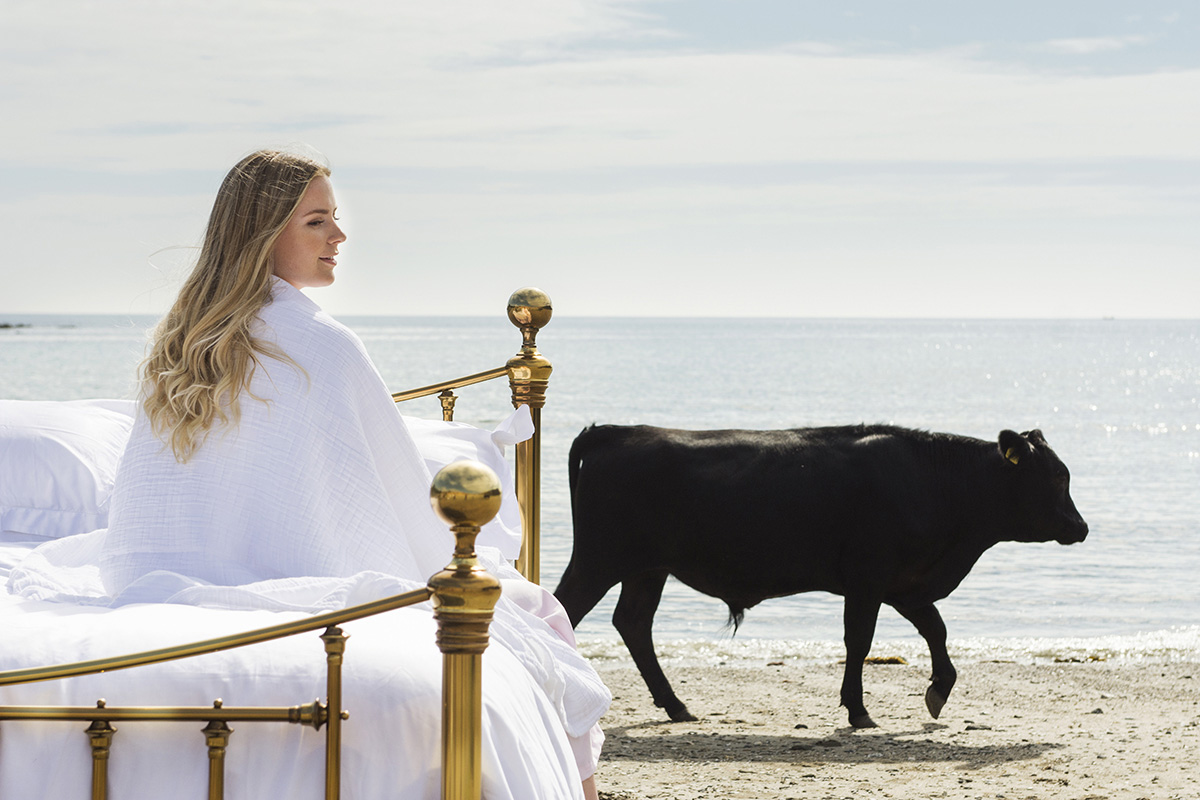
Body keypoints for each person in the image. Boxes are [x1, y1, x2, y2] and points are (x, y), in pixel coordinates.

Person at [11, 149, 607, 799]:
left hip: (149, 589)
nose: (340, 237)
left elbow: (152, 510)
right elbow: (402, 498)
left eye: (335, 220)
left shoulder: (180, 344)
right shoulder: (323, 347)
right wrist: (470, 556)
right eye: (318, 222)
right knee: (536, 620)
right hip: (304, 599)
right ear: (264, 234)